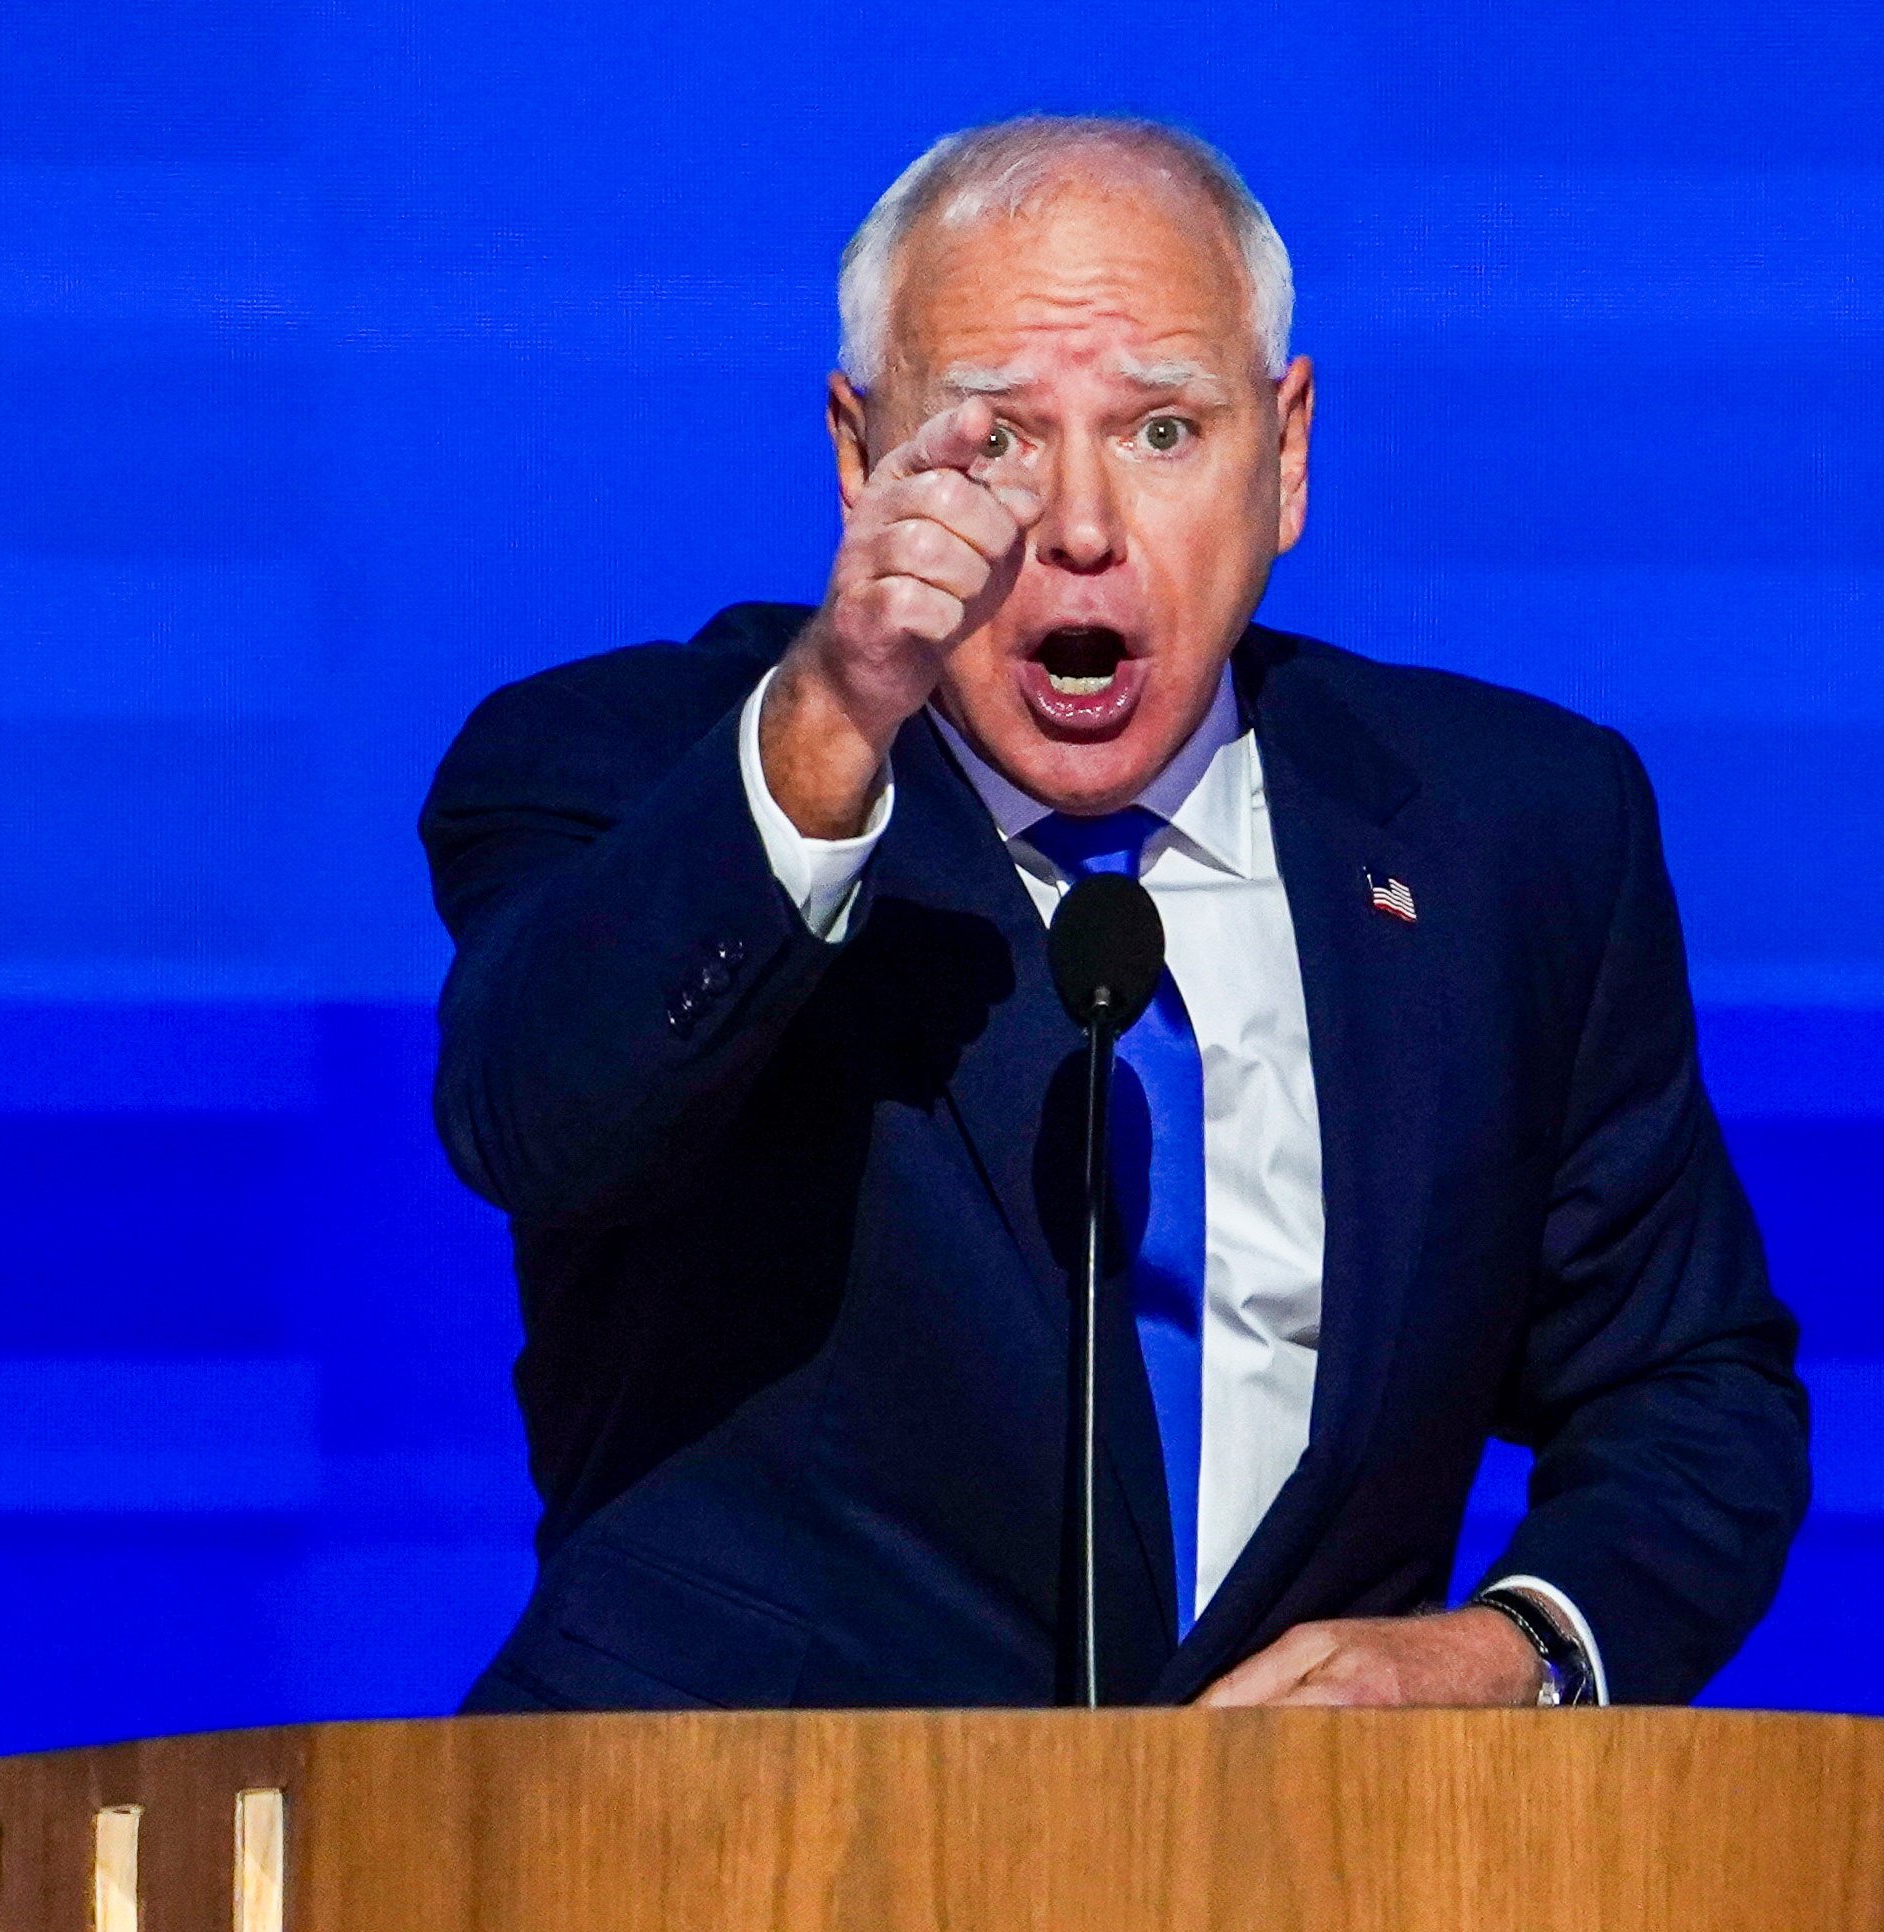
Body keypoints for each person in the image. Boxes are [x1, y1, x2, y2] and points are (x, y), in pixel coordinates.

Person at [423, 115, 1807, 1711]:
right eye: (994, 439)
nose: (1079, 528)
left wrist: (1517, 1654)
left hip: (1308, 1882)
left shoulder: (1517, 833)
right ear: (861, 460)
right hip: (746, 1860)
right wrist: (828, 721)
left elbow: (1690, 1386)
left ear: (1285, 456)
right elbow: (539, 1118)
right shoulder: (630, 772)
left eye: (1163, 431)